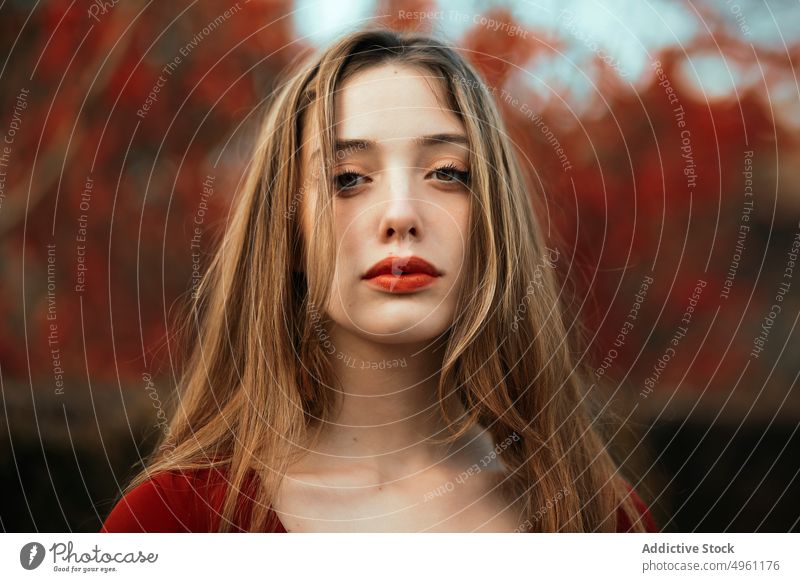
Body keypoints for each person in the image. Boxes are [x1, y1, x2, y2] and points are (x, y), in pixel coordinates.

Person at [101, 27, 658, 533]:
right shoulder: (172, 523)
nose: (400, 214)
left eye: (447, 173)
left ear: (494, 222)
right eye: (347, 178)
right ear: (288, 234)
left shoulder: (601, 519)